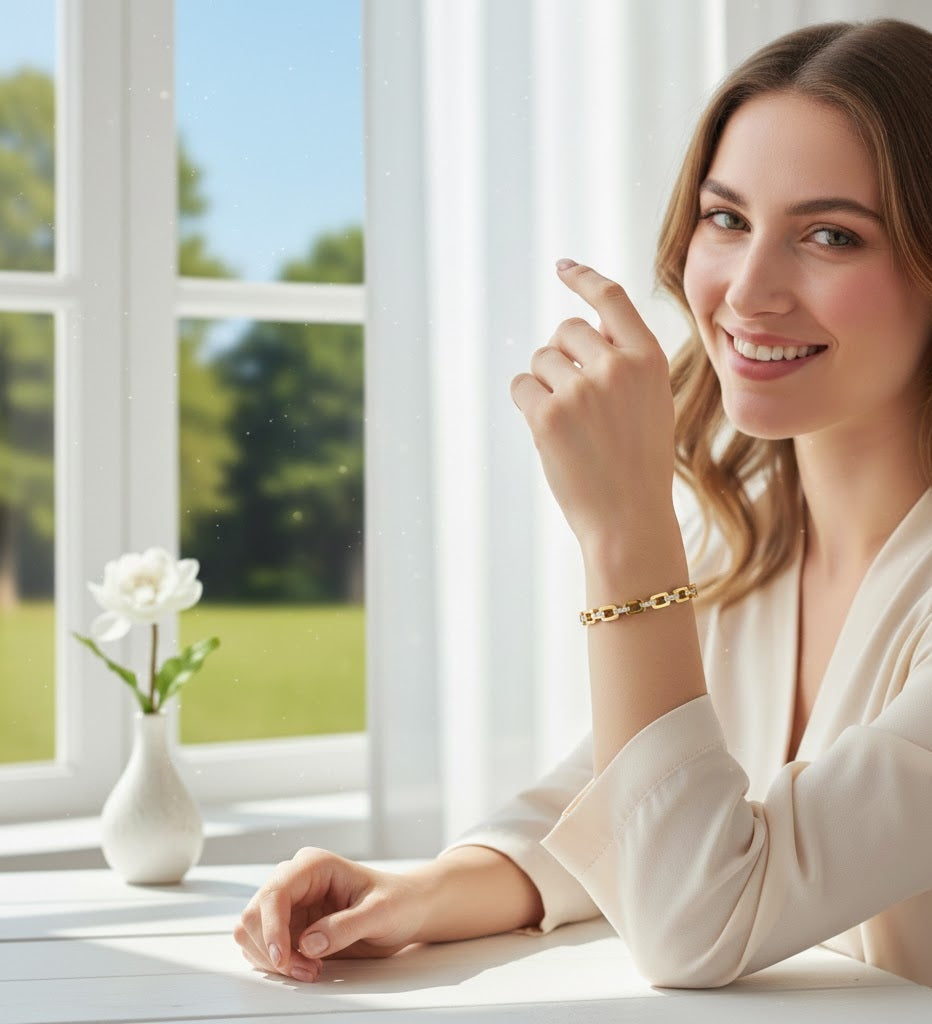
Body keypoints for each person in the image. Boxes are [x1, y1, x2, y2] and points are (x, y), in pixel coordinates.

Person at [234, 18, 932, 988]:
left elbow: (696, 922)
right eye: (724, 218)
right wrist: (422, 890)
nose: (746, 290)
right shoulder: (750, 538)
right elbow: (625, 802)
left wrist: (623, 531)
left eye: (828, 235)